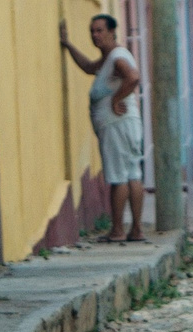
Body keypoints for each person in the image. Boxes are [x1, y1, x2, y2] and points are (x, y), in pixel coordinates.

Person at [61, 15, 146, 242]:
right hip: (126, 124)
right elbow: (89, 67)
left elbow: (133, 77)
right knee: (132, 173)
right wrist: (68, 44)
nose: (95, 35)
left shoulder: (117, 56)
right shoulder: (109, 58)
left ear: (112, 31)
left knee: (119, 177)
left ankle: (118, 230)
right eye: (92, 31)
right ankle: (136, 229)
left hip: (117, 125)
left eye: (99, 30)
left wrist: (116, 99)